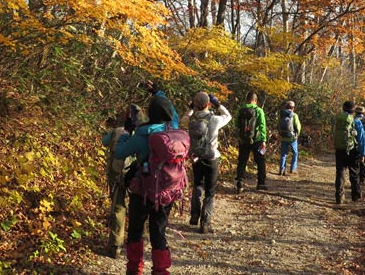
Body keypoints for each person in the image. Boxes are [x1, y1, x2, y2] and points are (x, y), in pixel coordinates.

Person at [115, 82, 178, 275]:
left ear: (150, 114)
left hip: (142, 191)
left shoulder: (142, 135)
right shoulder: (172, 129)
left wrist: (126, 132)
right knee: (159, 232)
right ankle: (160, 271)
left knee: (135, 231)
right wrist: (159, 91)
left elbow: (119, 152)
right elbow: (172, 112)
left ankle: (134, 270)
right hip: (166, 192)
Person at [181, 91, 232, 234]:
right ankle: (205, 223)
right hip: (212, 157)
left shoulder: (190, 119)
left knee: (198, 185)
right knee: (210, 192)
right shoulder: (215, 119)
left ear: (195, 104)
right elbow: (228, 116)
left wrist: (191, 108)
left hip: (196, 157)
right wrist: (218, 104)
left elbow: (183, 119)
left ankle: (194, 214)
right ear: (208, 104)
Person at [101, 104, 140, 259]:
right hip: (136, 175)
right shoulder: (142, 134)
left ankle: (115, 245)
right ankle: (137, 240)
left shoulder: (116, 131)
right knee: (137, 207)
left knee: (118, 207)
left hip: (117, 173)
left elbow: (104, 142)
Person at [332, 101, 365, 204]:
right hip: (353, 150)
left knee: (340, 173)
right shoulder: (357, 122)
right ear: (353, 110)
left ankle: (339, 197)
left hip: (340, 149)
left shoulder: (338, 120)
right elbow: (361, 139)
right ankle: (355, 197)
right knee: (354, 173)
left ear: (343, 108)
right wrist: (363, 153)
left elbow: (334, 133)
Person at [235, 91, 268, 193]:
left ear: (247, 99)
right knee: (260, 161)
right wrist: (264, 140)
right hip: (257, 140)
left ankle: (240, 183)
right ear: (255, 100)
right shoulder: (259, 110)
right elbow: (262, 126)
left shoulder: (240, 110)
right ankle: (261, 183)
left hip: (243, 140)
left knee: (242, 161)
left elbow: (236, 124)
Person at [278, 100, 302, 176]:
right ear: (293, 108)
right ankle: (293, 169)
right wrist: (297, 135)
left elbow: (278, 125)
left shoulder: (282, 115)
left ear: (286, 107)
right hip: (292, 138)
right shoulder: (294, 115)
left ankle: (281, 170)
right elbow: (298, 127)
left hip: (283, 137)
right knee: (295, 153)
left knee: (283, 154)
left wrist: (280, 134)